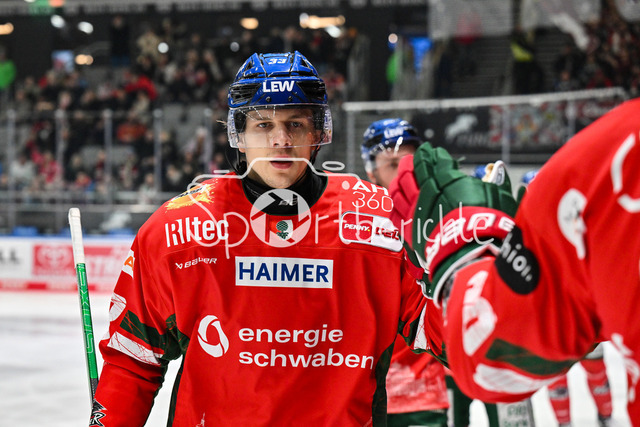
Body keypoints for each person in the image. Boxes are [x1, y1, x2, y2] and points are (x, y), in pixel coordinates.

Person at [90, 51, 436, 426]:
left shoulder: (381, 223)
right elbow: (133, 361)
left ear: (317, 133)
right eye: (263, 125)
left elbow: (448, 334)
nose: (281, 139)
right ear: (238, 135)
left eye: (295, 124)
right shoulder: (177, 230)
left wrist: (457, 254)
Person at [388, 98, 640, 424]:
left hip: (453, 350)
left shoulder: (605, 160)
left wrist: (460, 256)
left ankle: (599, 416)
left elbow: (496, 353)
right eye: (389, 159)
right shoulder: (605, 161)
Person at [361, 118, 449, 427]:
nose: (403, 173)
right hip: (364, 399)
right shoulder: (355, 229)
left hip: (423, 395)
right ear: (371, 170)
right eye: (392, 164)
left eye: (409, 163)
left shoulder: (444, 221)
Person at [520, 170, 616, 427]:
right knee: (557, 379)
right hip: (552, 318)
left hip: (581, 314)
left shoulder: (572, 222)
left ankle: (606, 416)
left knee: (595, 371)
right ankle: (569, 421)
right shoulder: (522, 230)